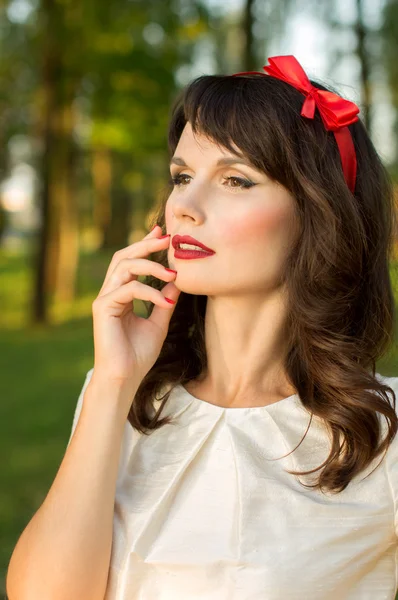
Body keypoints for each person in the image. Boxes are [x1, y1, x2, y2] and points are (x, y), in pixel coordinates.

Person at [6, 55, 398, 600]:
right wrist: (112, 384)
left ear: (319, 214)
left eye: (235, 179)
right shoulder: (121, 399)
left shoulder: (382, 435)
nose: (184, 206)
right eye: (182, 176)